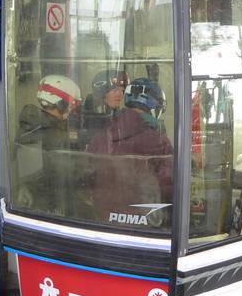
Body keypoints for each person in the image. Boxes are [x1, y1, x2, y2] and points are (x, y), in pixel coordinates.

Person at [86, 78, 173, 229]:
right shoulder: (158, 141)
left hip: (102, 221)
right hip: (143, 224)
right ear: (154, 107)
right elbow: (168, 186)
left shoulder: (102, 135)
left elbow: (88, 174)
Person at [15, 75, 82, 215]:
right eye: (73, 103)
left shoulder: (30, 125)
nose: (73, 109)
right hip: (50, 204)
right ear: (61, 103)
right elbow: (66, 174)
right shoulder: (53, 134)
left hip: (32, 198)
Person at [81, 68, 128, 138]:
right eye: (115, 90)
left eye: (122, 90)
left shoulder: (122, 117)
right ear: (101, 93)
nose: (120, 95)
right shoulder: (84, 118)